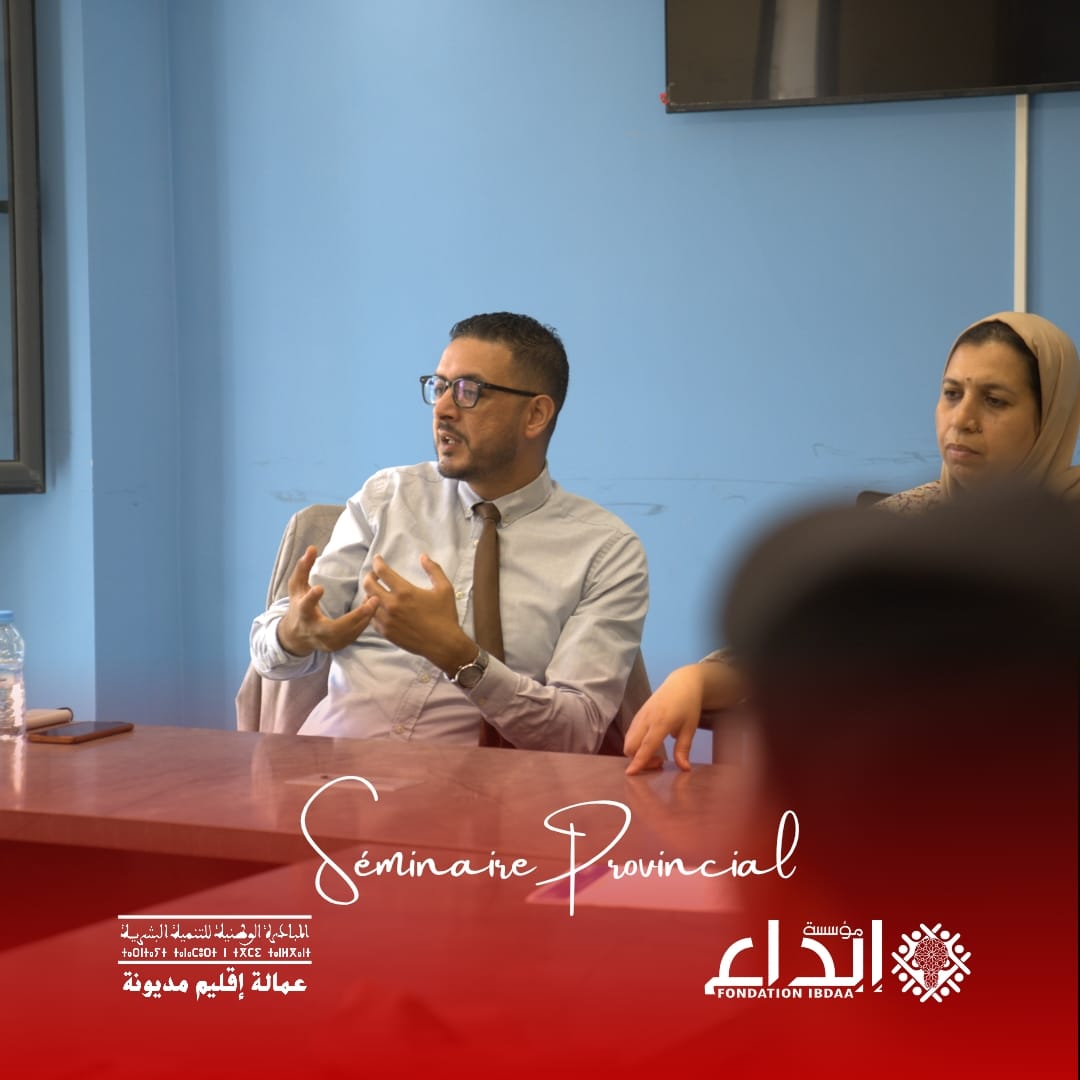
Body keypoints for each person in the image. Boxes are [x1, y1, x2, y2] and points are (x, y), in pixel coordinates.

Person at [623, 310, 1080, 774]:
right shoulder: (905, 525)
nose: (962, 419)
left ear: (1051, 417)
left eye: (995, 401)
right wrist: (694, 680)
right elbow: (798, 655)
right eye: (951, 394)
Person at [249, 312, 648, 752]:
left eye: (469, 391)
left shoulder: (605, 551)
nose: (442, 408)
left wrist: (456, 654)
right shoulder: (386, 497)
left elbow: (576, 733)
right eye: (439, 387)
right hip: (333, 775)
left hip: (478, 791)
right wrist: (292, 635)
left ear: (535, 414)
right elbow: (269, 655)